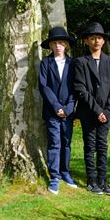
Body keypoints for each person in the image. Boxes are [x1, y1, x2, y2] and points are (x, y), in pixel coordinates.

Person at [73, 22, 110, 195]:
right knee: (90, 145)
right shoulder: (80, 62)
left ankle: (103, 180)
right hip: (88, 112)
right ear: (86, 41)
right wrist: (97, 111)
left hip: (105, 113)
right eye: (92, 38)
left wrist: (107, 111)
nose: (96, 41)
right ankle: (92, 181)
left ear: (103, 41)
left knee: (102, 145)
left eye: (99, 38)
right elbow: (80, 89)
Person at [38, 26, 78, 194]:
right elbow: (44, 86)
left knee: (66, 142)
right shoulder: (45, 63)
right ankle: (54, 176)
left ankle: (65, 172)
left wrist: (68, 108)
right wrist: (56, 107)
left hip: (68, 111)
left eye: (61, 42)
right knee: (55, 142)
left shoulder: (73, 63)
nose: (58, 46)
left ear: (66, 45)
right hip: (52, 111)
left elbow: (76, 88)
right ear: (51, 46)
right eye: (55, 43)